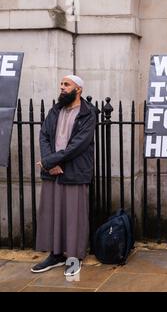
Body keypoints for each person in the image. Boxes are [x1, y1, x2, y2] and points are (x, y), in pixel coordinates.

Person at [31, 75, 96, 276]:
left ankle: (74, 259)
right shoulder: (55, 110)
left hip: (74, 171)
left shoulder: (88, 113)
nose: (62, 87)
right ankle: (56, 254)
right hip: (53, 172)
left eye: (66, 85)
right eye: (61, 84)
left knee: (74, 216)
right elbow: (44, 135)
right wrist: (50, 162)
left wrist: (50, 161)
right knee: (53, 214)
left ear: (79, 90)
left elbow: (79, 144)